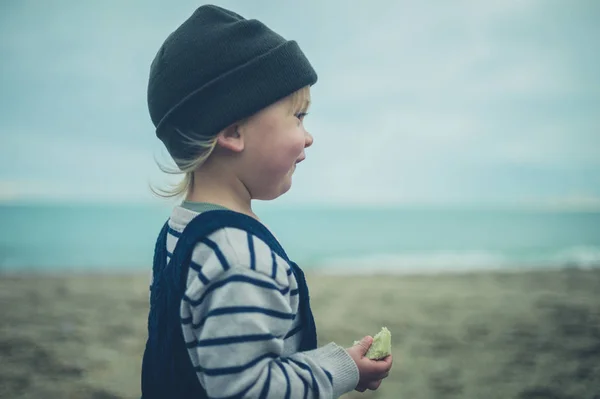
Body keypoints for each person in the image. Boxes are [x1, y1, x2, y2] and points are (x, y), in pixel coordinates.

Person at [140, 4, 393, 398]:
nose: (308, 137)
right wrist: (344, 371)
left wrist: (339, 361)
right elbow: (250, 388)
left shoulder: (182, 229)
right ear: (232, 131)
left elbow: (224, 364)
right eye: (298, 116)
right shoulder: (240, 257)